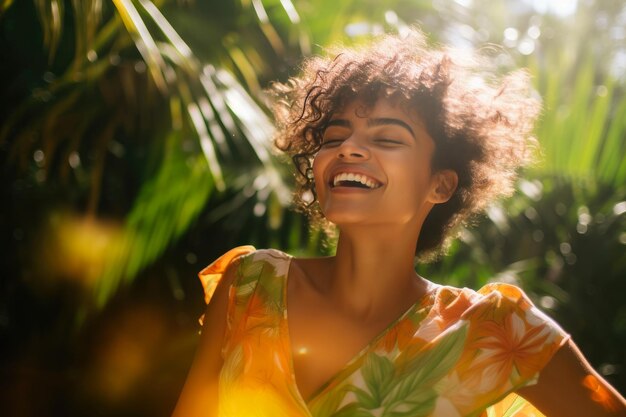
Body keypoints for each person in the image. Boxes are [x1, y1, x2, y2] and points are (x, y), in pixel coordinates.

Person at [171, 29, 626, 417]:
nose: (348, 148)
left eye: (387, 137)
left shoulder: (495, 330)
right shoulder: (250, 286)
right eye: (334, 136)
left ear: (441, 186)